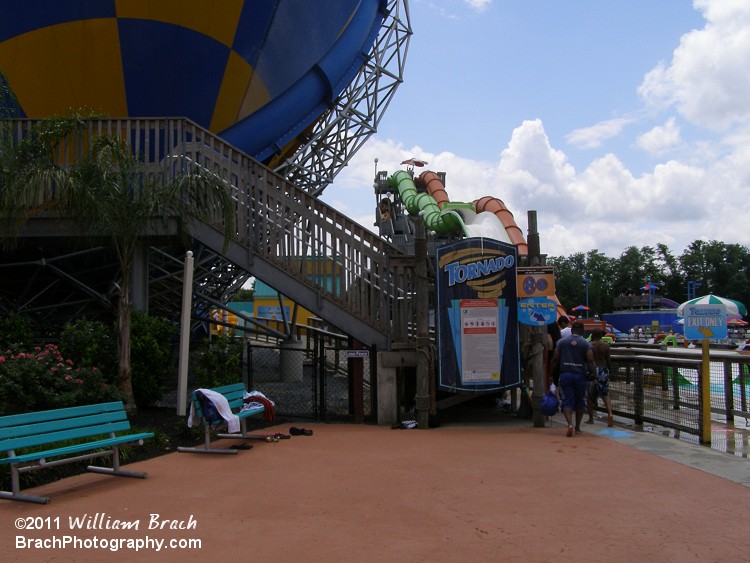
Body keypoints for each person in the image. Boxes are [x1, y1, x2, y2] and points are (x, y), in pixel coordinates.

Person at [550, 320, 597, 437]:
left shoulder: (561, 342)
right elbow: (591, 360)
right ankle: (577, 427)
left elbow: (555, 359)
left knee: (566, 400)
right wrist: (595, 375)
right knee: (580, 401)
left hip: (565, 374)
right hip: (581, 376)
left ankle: (569, 424)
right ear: (582, 331)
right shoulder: (586, 344)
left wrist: (550, 374)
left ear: (571, 330)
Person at [585, 329, 614, 427]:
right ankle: (610, 413)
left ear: (592, 335)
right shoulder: (606, 346)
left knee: (589, 395)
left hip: (592, 370)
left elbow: (587, 359)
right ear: (601, 336)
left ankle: (591, 418)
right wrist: (611, 371)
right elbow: (608, 360)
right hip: (603, 370)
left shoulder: (589, 345)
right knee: (605, 393)